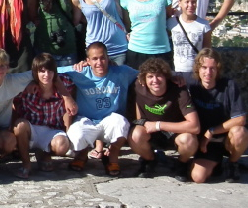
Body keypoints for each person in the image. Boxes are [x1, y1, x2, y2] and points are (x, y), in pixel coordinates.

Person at [0, 48, 70, 183]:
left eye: (2, 66)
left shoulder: (13, 81)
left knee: (10, 142)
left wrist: (67, 95)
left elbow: (46, 71)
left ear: (8, 67)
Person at [60, 42, 138, 177]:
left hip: (110, 120)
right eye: (94, 59)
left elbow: (147, 74)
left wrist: (173, 75)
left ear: (108, 58)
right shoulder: (80, 72)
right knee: (75, 135)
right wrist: (67, 97)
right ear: (87, 61)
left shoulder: (121, 72)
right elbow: (49, 72)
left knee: (121, 123)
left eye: (102, 58)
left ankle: (112, 156)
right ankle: (82, 155)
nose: (99, 62)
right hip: (87, 120)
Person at [183, 48, 248, 183]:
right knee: (198, 177)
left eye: (212, 68)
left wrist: (212, 131)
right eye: (204, 67)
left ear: (218, 69)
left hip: (224, 138)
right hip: (203, 142)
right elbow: (164, 75)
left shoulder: (229, 85)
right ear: (198, 68)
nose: (208, 72)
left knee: (240, 132)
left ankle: (233, 163)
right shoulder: (191, 83)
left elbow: (240, 118)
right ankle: (216, 164)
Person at [129, 57, 200, 181]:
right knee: (135, 135)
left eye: (159, 76)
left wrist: (157, 125)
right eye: (150, 77)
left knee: (189, 140)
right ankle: (149, 160)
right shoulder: (137, 86)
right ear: (143, 79)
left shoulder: (179, 90)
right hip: (149, 132)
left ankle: (182, 163)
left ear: (167, 77)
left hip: (174, 132)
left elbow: (195, 126)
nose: (155, 80)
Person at [12, 54, 75, 179]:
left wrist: (68, 98)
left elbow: (79, 72)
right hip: (32, 128)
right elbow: (13, 103)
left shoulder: (65, 83)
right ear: (35, 73)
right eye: (42, 71)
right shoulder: (26, 87)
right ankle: (26, 164)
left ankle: (44, 153)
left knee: (62, 146)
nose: (46, 75)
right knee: (20, 125)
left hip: (52, 129)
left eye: (50, 71)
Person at [169, 0, 211, 73]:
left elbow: (207, 52)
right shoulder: (171, 23)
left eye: (193, 2)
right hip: (176, 72)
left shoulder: (204, 25)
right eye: (187, 2)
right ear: (180, 3)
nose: (191, 5)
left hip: (196, 72)